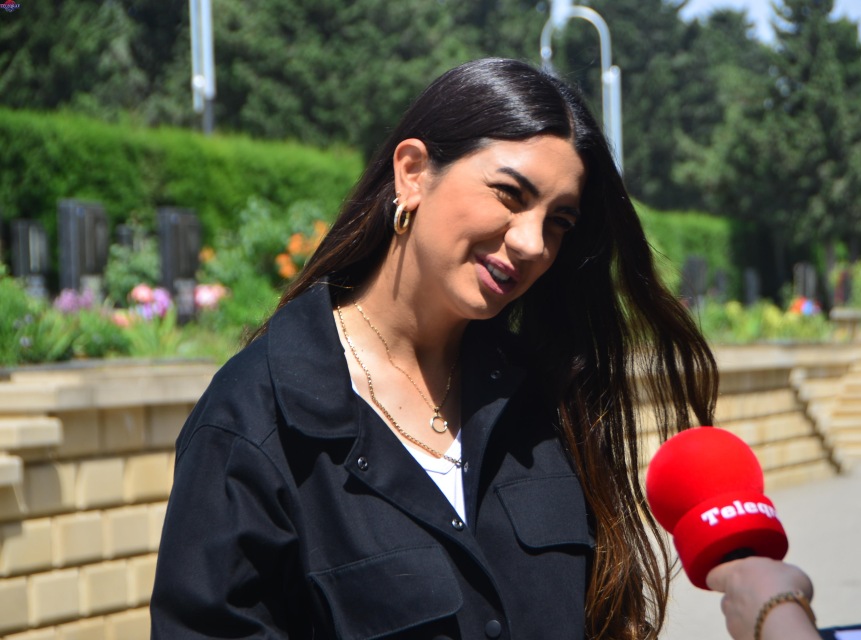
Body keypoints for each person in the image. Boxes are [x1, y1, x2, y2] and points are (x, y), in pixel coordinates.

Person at [150, 57, 803, 639]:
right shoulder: (252, 421)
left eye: (559, 222)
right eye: (510, 194)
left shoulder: (543, 401)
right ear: (412, 173)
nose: (533, 243)